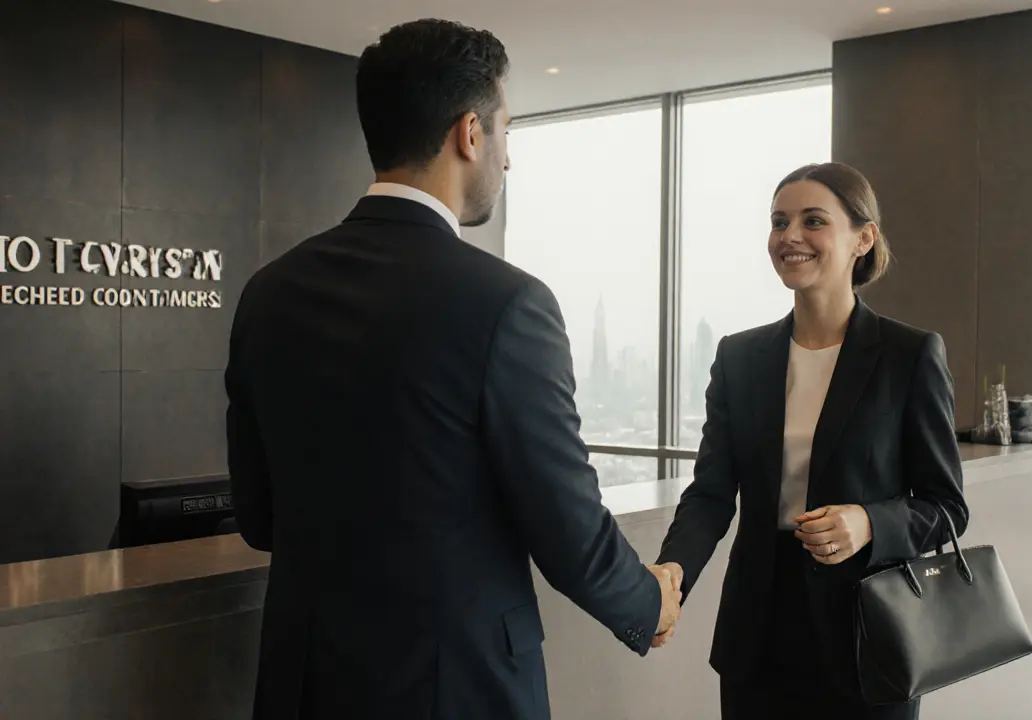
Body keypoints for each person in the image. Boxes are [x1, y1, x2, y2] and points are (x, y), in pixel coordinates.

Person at [224, 19, 681, 720]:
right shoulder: (507, 304)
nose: (509, 159)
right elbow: (564, 522)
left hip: (305, 682)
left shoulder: (270, 291)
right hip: (456, 689)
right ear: (471, 134)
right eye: (507, 132)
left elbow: (259, 517)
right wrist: (647, 602)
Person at [656, 163, 968, 719]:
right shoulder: (739, 358)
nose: (789, 236)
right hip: (759, 631)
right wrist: (671, 574)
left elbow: (946, 508)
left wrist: (870, 523)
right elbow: (709, 493)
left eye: (813, 220)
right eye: (779, 222)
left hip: (869, 632)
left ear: (862, 238)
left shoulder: (909, 355)